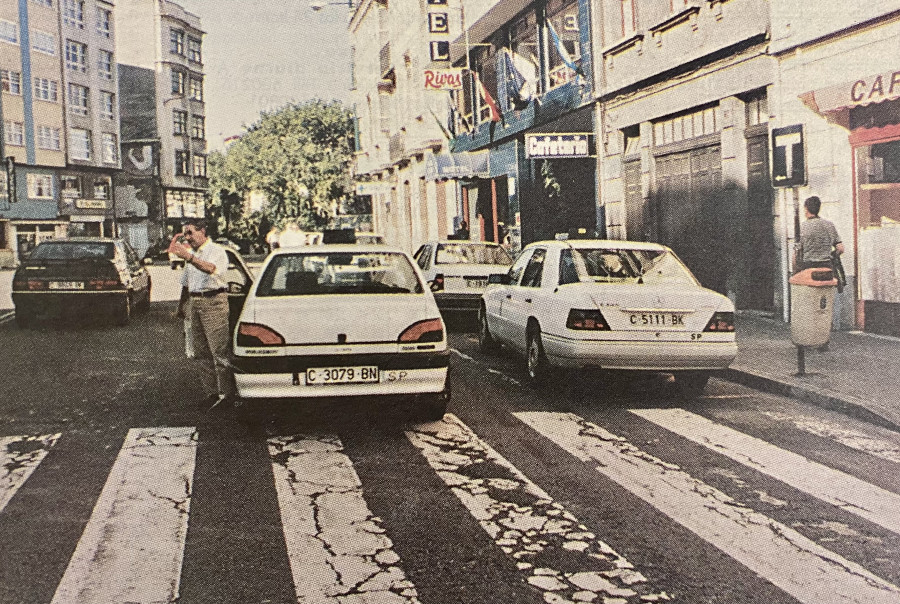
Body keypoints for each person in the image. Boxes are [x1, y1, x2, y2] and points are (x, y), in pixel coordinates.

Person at [170, 219, 235, 410]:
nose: (187, 238)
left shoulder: (216, 251)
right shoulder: (192, 253)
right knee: (200, 351)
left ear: (203, 231)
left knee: (219, 351)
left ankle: (227, 394)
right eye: (185, 234)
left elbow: (211, 269)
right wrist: (181, 306)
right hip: (195, 301)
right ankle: (211, 393)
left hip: (213, 301)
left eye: (190, 233)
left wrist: (189, 258)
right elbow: (186, 283)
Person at [794, 196, 845, 273]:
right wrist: (831, 256)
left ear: (806, 209)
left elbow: (796, 254)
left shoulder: (802, 227)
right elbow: (840, 249)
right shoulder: (829, 225)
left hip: (808, 268)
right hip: (827, 267)